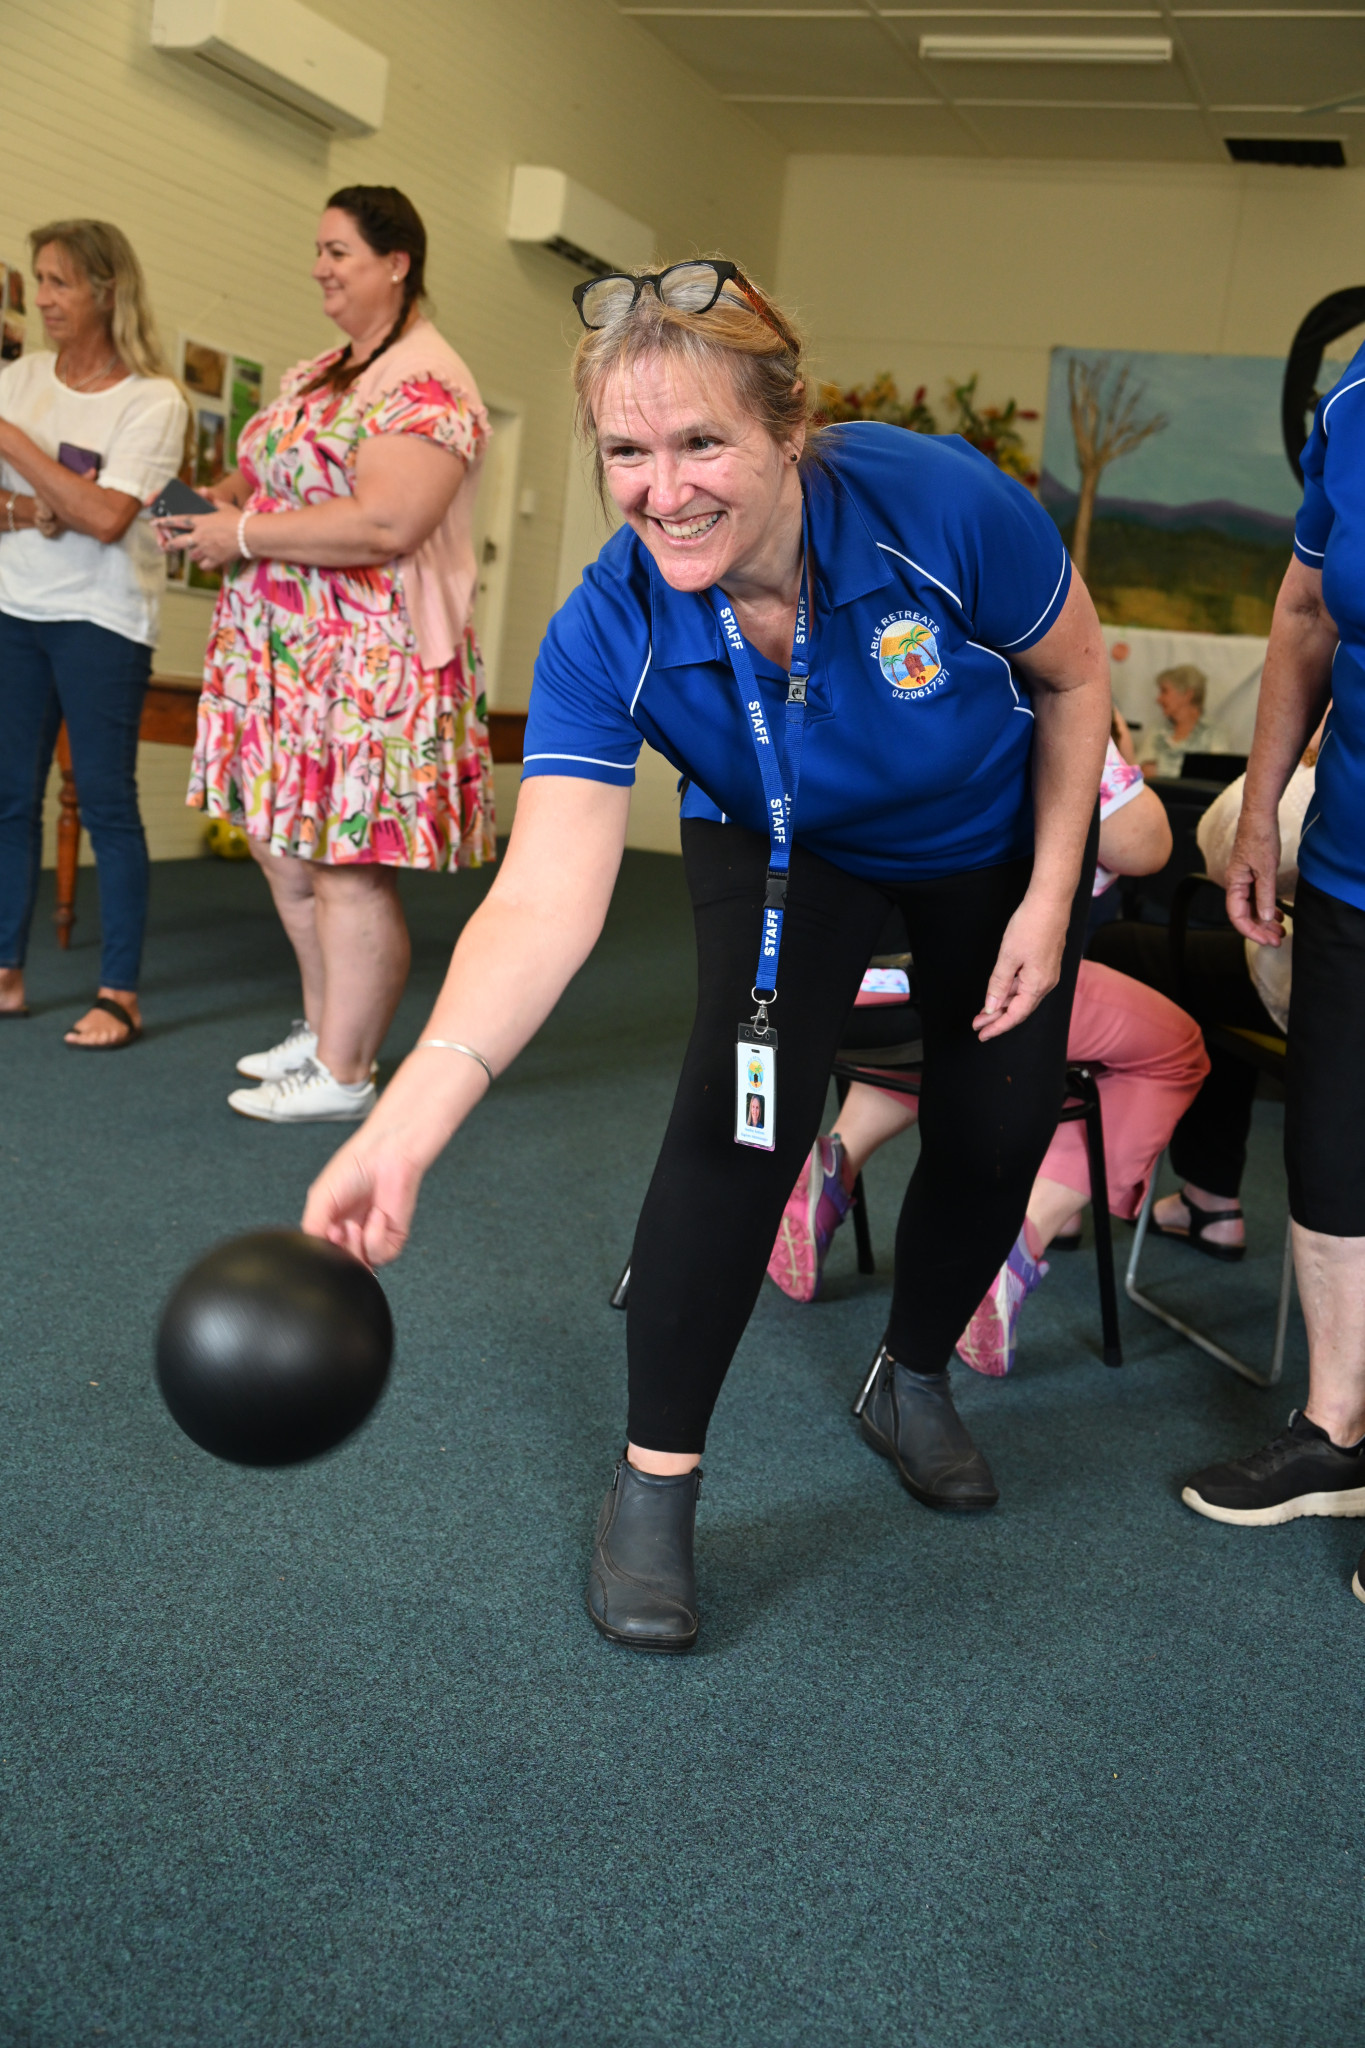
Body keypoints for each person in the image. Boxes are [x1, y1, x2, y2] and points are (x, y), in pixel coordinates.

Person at [302, 258, 1112, 1653]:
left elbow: (1077, 678)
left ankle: (911, 1378)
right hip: (781, 847)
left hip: (984, 841)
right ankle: (654, 1483)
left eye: (700, 443)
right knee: (735, 1128)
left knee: (992, 1132)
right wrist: (409, 1118)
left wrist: (1050, 897)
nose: (660, 488)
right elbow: (546, 900)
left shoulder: (939, 504)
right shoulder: (608, 624)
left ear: (787, 429)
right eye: (625, 449)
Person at [159, 186, 494, 1122]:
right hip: (279, 652)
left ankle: (347, 1074)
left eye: (339, 250)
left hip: (366, 661)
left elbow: (387, 519)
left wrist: (247, 532)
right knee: (282, 850)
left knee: (347, 863)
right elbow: (261, 471)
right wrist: (195, 508)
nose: (320, 267)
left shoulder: (425, 380)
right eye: (318, 249)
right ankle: (323, 1026)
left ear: (398, 263)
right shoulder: (324, 372)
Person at [768, 736, 1210, 1378]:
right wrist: (1107, 746)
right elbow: (1147, 847)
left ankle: (831, 1165)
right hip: (978, 983)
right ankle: (1015, 1239)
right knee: (1175, 1049)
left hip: (831, 995)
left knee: (940, 1032)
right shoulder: (1028, 694)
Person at [1179, 339, 1365, 1608]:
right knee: (1333, 1150)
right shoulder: (1357, 395)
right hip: (1350, 859)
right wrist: (1258, 813)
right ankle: (1337, 1429)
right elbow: (1305, 609)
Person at [0, 220, 187, 1046]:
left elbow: (109, 517)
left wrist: (13, 448)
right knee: (9, 801)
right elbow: (60, 507)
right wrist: (37, 509)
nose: (43, 300)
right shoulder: (22, 377)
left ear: (106, 291)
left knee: (108, 805)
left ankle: (119, 993)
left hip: (103, 621)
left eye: (60, 283)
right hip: (13, 610)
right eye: (38, 281)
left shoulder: (153, 400)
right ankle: (6, 970)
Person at [1090, 746, 1316, 1261]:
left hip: (1325, 998)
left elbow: (1225, 844)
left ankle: (1062, 1186)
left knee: (1117, 949)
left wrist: (1308, 747)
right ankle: (1206, 1200)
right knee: (1225, 971)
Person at [1139, 663, 1228, 780]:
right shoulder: (1157, 730)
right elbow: (1140, 770)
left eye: (1164, 691)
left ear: (1188, 694)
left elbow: (1217, 775)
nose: (1158, 699)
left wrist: (1160, 771)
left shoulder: (1214, 732)